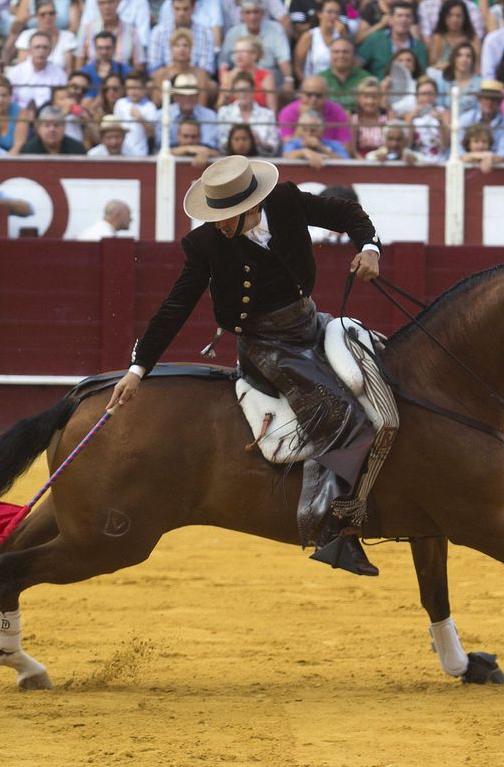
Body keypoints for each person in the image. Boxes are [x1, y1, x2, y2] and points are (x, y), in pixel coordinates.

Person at [105, 155, 383, 575]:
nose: (218, 224)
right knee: (336, 413)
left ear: (252, 207)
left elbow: (343, 212)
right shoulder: (205, 244)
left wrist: (368, 247)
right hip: (265, 342)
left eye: (226, 217)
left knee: (381, 371)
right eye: (215, 215)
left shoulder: (286, 201)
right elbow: (176, 305)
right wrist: (138, 368)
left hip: (309, 322)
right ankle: (334, 530)